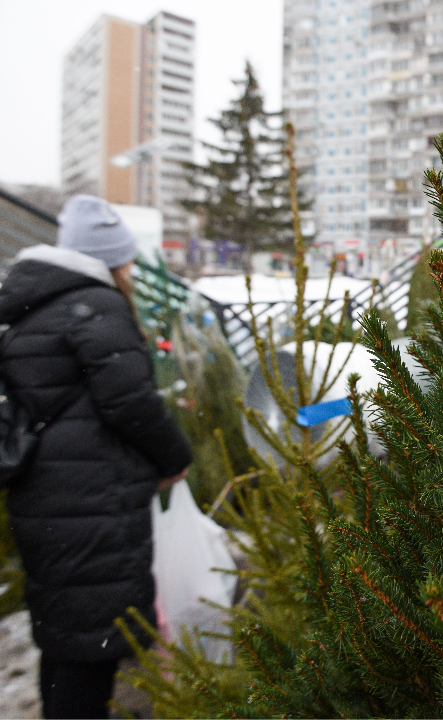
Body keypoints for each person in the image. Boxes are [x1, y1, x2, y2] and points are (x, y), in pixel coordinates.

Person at [0, 195, 192, 720]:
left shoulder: (30, 306)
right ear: (112, 259)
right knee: (95, 645)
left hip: (45, 494)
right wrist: (176, 457)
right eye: (126, 259)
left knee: (65, 633)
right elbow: (131, 401)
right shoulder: (97, 305)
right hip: (94, 500)